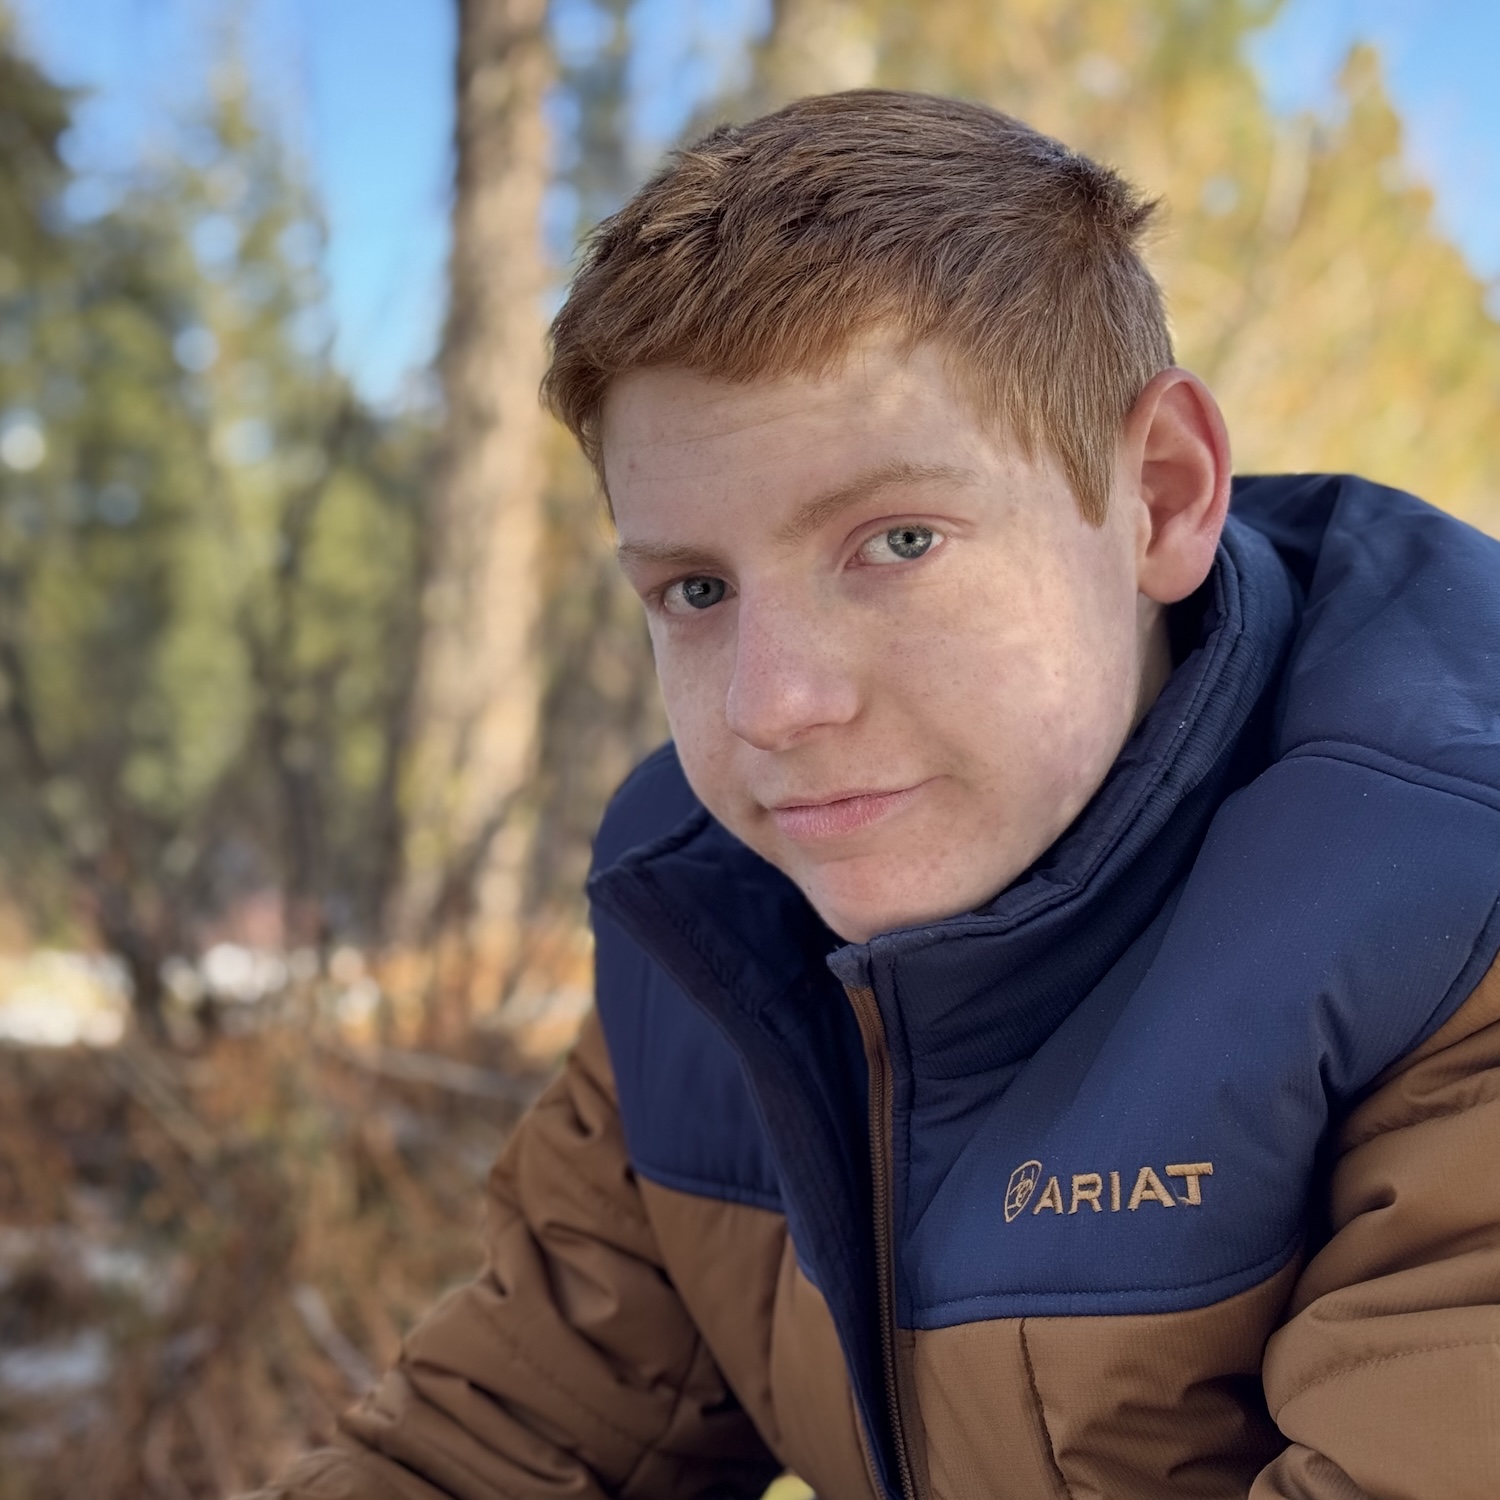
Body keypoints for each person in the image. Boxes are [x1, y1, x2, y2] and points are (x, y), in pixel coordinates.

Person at [251, 91, 1500, 1500]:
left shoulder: (1454, 908)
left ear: (1158, 497)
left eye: (896, 541)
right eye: (698, 590)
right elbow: (494, 1451)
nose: (775, 705)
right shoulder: (710, 919)